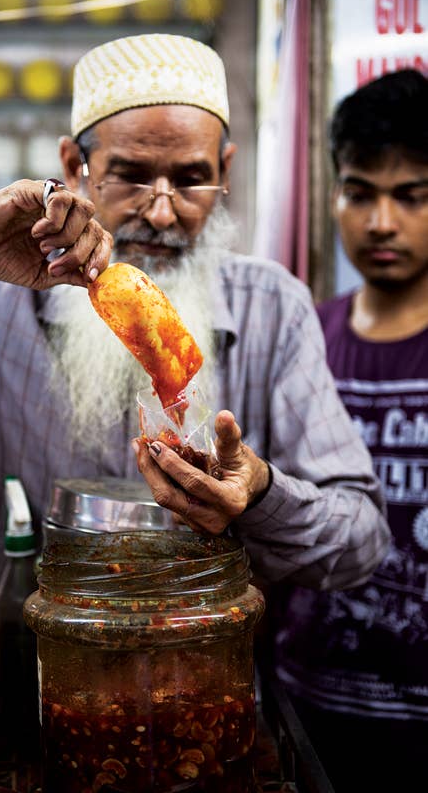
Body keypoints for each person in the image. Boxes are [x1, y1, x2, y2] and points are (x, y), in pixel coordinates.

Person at [0, 34, 389, 710]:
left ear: (225, 168)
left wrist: (263, 493)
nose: (161, 212)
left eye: (190, 178)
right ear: (74, 164)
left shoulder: (271, 306)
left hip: (206, 689)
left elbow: (360, 540)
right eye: (129, 174)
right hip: (16, 683)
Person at [271, 69, 428, 792]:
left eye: (410, 196)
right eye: (359, 191)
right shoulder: (303, 338)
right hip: (306, 712)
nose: (380, 223)